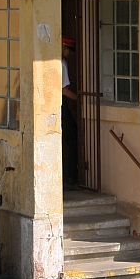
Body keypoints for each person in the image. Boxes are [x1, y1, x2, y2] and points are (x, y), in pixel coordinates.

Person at [61, 36, 79, 186]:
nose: (71, 54)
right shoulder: (61, 64)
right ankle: (71, 175)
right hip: (61, 104)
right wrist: (79, 100)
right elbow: (64, 90)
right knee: (71, 137)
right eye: (69, 50)